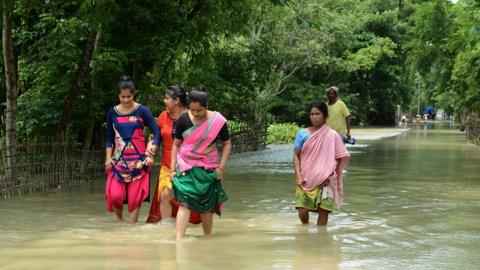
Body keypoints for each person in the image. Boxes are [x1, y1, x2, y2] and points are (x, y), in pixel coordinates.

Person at [170, 87, 232, 240]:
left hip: (208, 168)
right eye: (193, 110)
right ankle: (179, 241)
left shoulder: (217, 121)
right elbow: (175, 145)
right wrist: (172, 170)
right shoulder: (183, 120)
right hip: (186, 166)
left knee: (206, 205)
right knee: (184, 203)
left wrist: (221, 168)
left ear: (207, 106)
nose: (196, 114)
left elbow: (227, 143)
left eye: (200, 110)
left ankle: (208, 239)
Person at [105, 75, 160, 223]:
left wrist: (151, 153)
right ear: (118, 95)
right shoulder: (112, 112)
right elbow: (109, 138)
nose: (126, 100)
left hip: (139, 161)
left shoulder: (142, 110)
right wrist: (108, 158)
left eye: (128, 96)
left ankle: (131, 229)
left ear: (133, 94)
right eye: (122, 97)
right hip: (118, 161)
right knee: (115, 196)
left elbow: (157, 132)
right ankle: (120, 222)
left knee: (135, 199)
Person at [293, 101, 350, 226]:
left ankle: (321, 239)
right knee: (302, 209)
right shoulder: (302, 134)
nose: (314, 117)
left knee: (324, 211)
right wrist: (298, 175)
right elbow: (296, 156)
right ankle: (305, 230)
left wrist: (331, 174)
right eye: (312, 114)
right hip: (306, 177)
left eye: (317, 114)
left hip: (326, 179)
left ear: (324, 115)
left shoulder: (332, 135)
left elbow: (342, 156)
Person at [146, 85, 197, 224]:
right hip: (167, 165)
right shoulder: (163, 116)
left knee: (185, 200)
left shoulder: (192, 117)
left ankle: (183, 229)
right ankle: (166, 228)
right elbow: (157, 136)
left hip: (187, 167)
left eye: (166, 98)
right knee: (165, 195)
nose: (164, 101)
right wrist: (152, 147)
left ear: (176, 101)